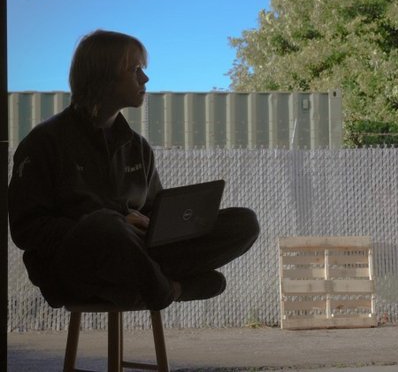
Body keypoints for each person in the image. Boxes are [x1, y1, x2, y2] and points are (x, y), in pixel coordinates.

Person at [8, 29, 260, 311]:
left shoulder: (137, 146)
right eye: (135, 69)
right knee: (105, 224)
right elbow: (26, 231)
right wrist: (109, 225)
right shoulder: (44, 142)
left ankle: (138, 284)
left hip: (139, 255)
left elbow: (154, 209)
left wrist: (156, 223)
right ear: (102, 74)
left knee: (244, 221)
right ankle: (169, 291)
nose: (145, 78)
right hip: (71, 268)